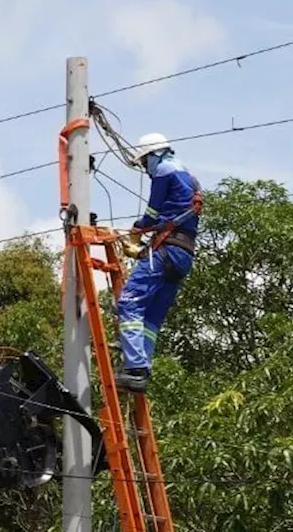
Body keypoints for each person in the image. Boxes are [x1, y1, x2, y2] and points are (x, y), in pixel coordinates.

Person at [115, 132, 201, 393]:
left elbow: (152, 214)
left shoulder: (164, 171)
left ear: (153, 154)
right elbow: (173, 215)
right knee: (151, 317)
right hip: (183, 254)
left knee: (129, 302)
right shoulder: (190, 177)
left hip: (166, 250)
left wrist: (136, 230)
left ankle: (136, 367)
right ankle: (142, 366)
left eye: (144, 162)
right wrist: (142, 247)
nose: (145, 168)